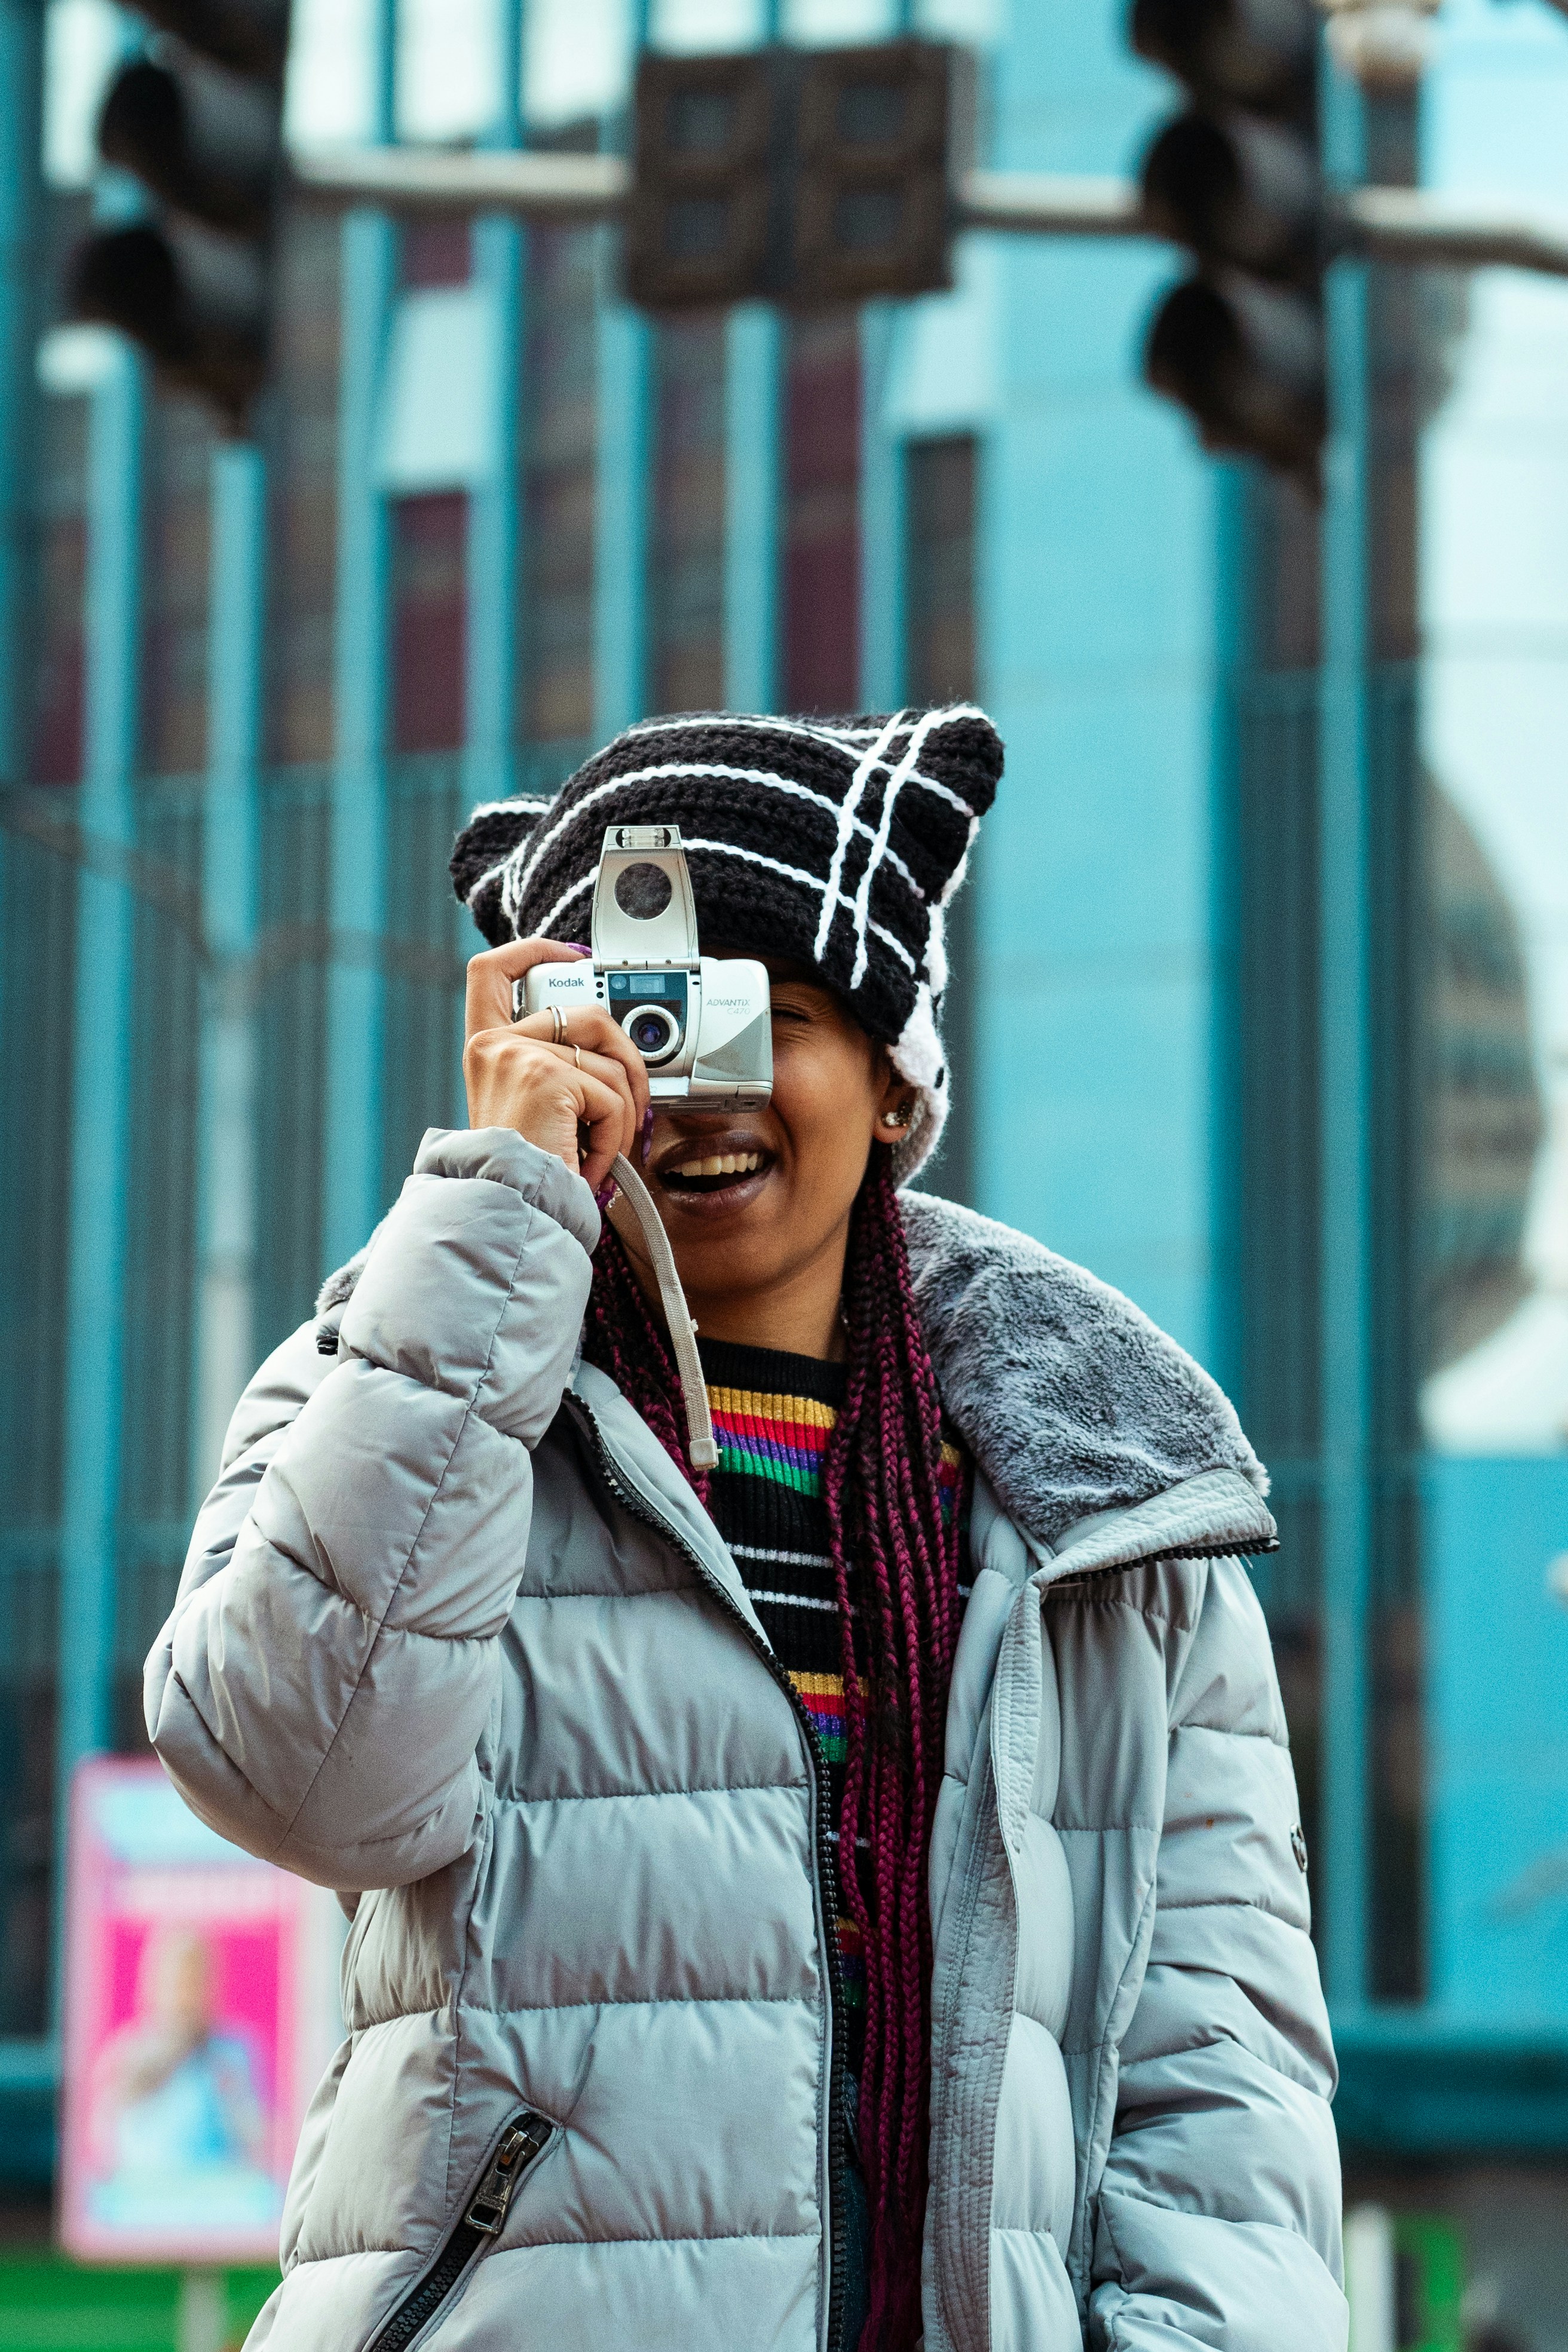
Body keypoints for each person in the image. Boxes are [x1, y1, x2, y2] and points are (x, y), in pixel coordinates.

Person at [146, 708, 1346, 2351]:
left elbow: (1222, 2098)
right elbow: (301, 1780)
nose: (696, 1082)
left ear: (894, 1078)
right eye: (638, 1018)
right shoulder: (394, 1385)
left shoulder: (1112, 1499)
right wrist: (499, 1214)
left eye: (772, 1016)